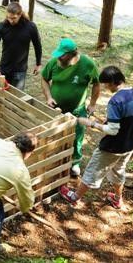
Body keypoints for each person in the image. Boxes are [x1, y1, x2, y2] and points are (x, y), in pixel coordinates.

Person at [59, 66, 133, 209]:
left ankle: (74, 197)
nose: (104, 87)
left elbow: (113, 130)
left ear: (112, 82)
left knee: (92, 170)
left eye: (105, 84)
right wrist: (111, 121)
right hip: (128, 145)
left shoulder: (115, 101)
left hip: (112, 147)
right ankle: (118, 199)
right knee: (119, 171)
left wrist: (91, 123)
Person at [41, 37, 100, 177]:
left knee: (77, 136)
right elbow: (44, 78)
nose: (59, 57)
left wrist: (92, 104)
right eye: (58, 54)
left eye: (63, 55)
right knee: (53, 134)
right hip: (56, 108)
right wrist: (49, 97)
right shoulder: (53, 63)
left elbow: (96, 84)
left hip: (77, 109)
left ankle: (75, 163)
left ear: (73, 53)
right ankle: (54, 160)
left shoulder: (87, 64)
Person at [0, 2, 42, 91]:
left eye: (14, 18)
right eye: (9, 18)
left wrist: (38, 63)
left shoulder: (30, 27)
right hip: (5, 67)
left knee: (17, 98)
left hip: (20, 69)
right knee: (3, 94)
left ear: (20, 14)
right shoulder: (2, 26)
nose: (11, 21)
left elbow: (37, 45)